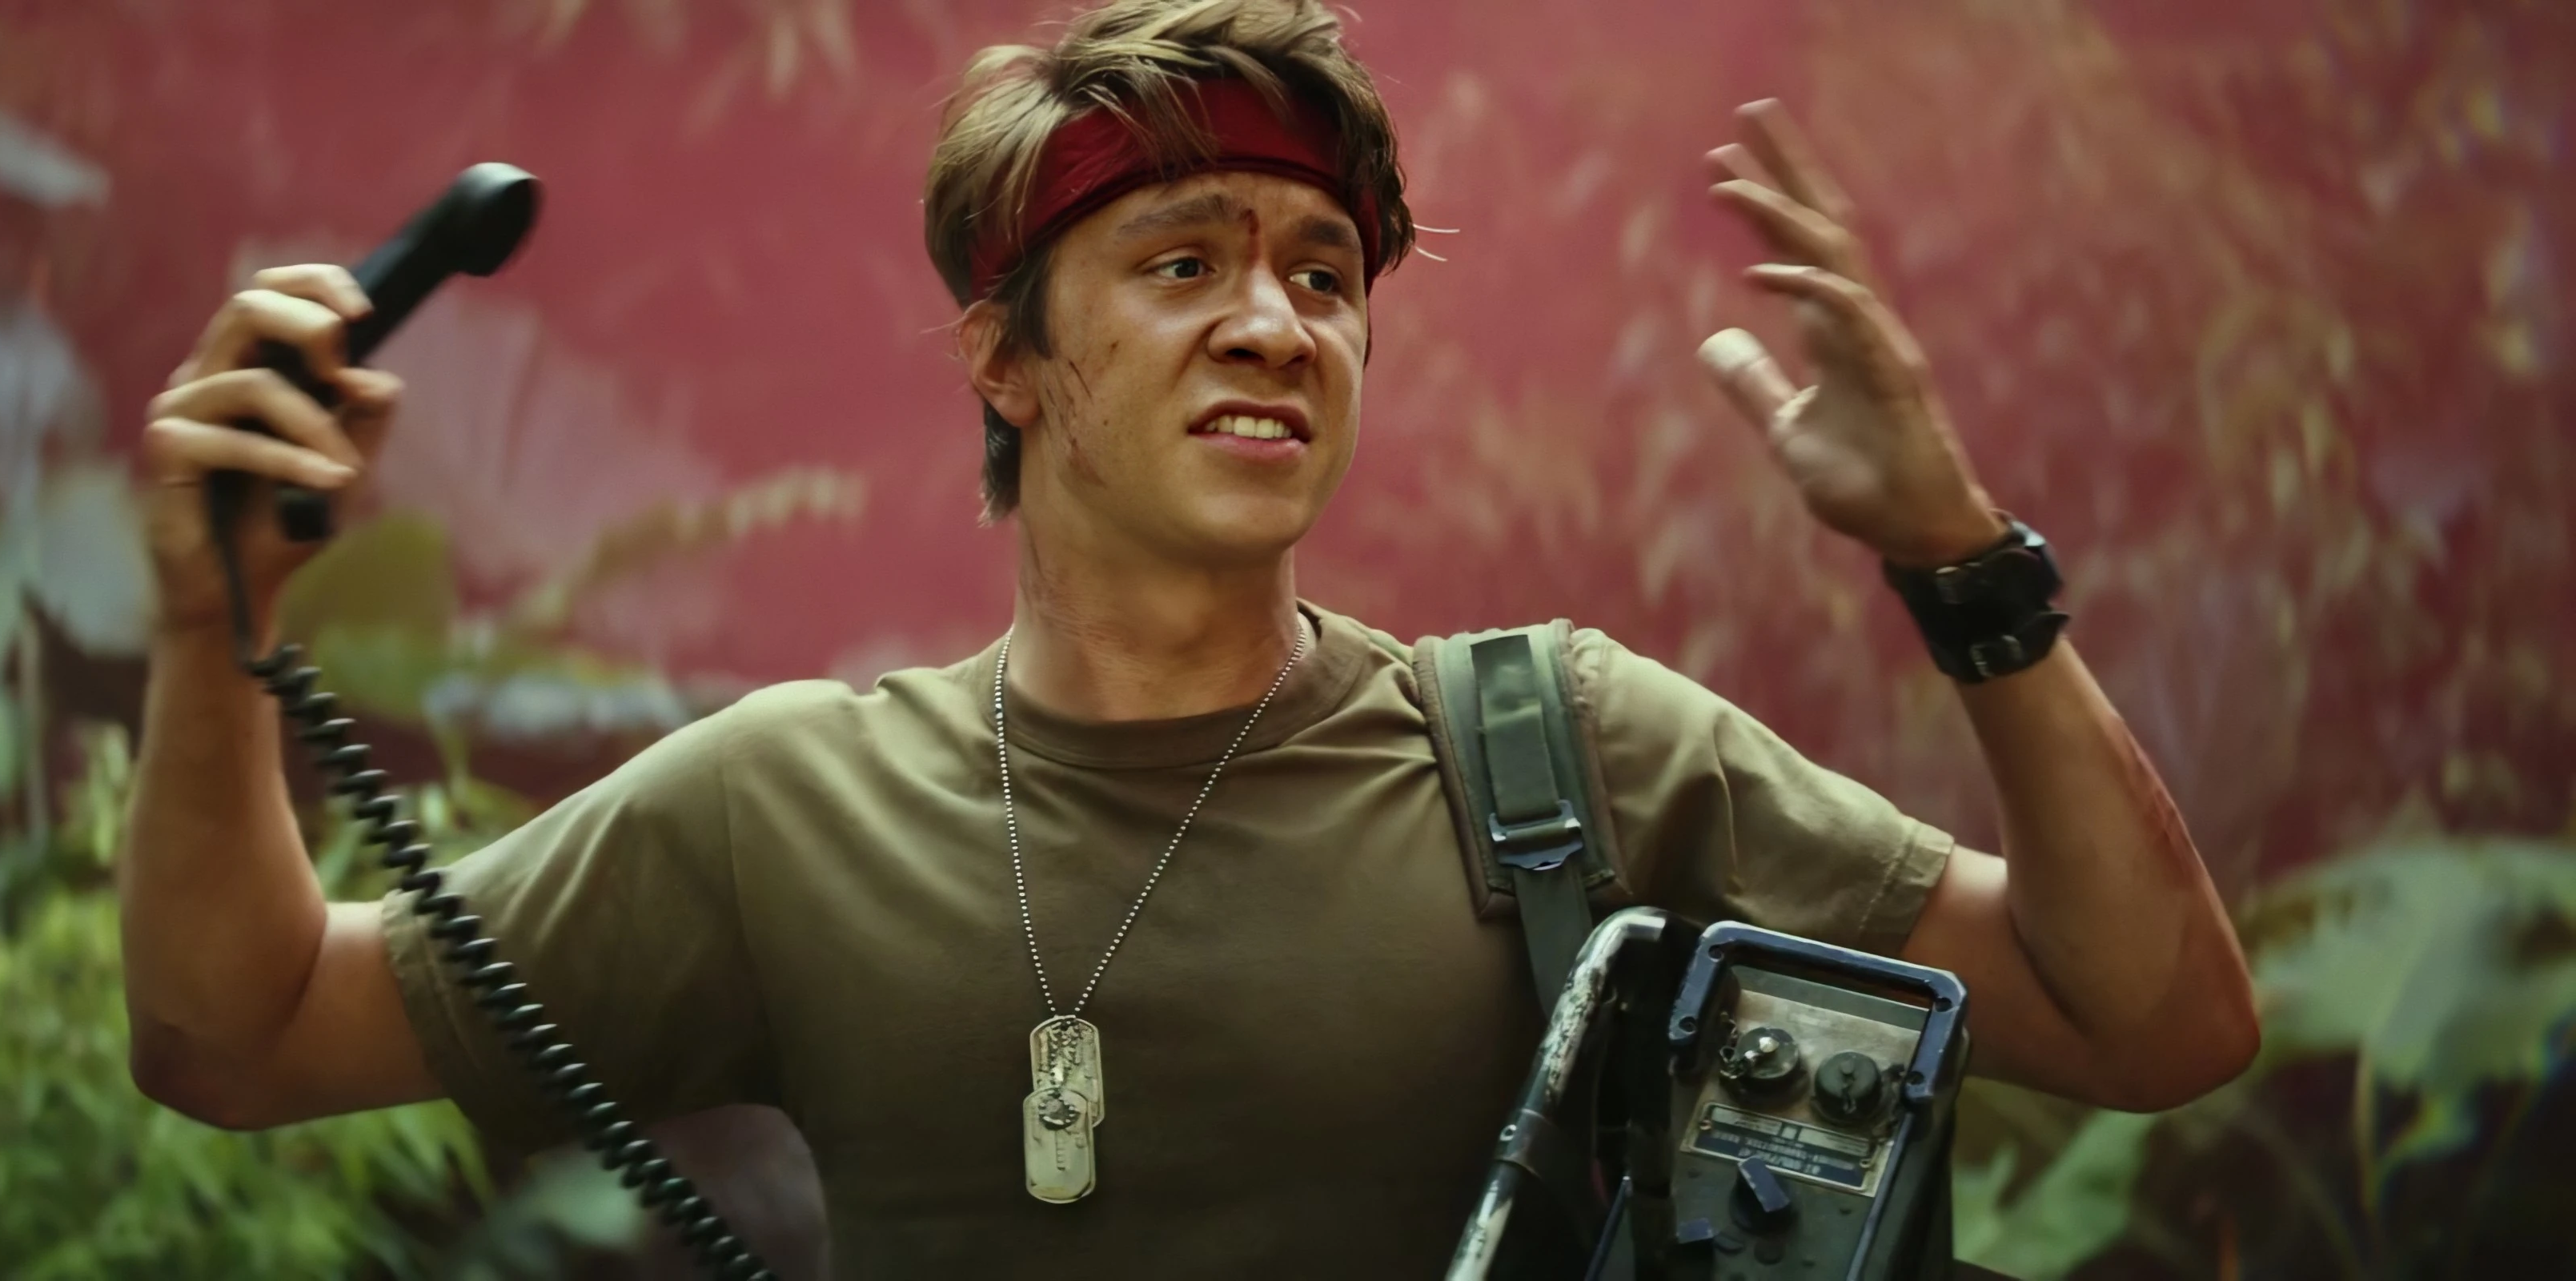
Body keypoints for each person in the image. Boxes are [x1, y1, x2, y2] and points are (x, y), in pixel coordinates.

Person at [113, 1, 2258, 1274]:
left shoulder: (1557, 750)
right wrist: (217, 629)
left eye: (1324, 273)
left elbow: (2152, 1024)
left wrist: (1958, 559)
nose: (1275, 321)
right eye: (1180, 262)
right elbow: (242, 1035)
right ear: (1007, 356)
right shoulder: (789, 804)